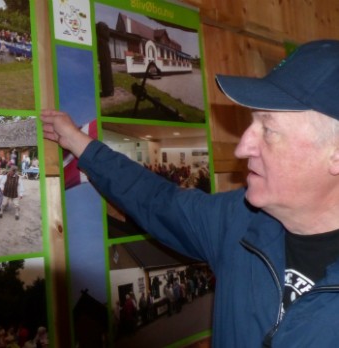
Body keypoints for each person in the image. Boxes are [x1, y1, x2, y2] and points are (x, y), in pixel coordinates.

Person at [41, 40, 339, 347]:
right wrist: (81, 145)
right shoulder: (239, 222)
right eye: (252, 124)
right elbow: (156, 200)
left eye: (268, 129)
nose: (241, 148)